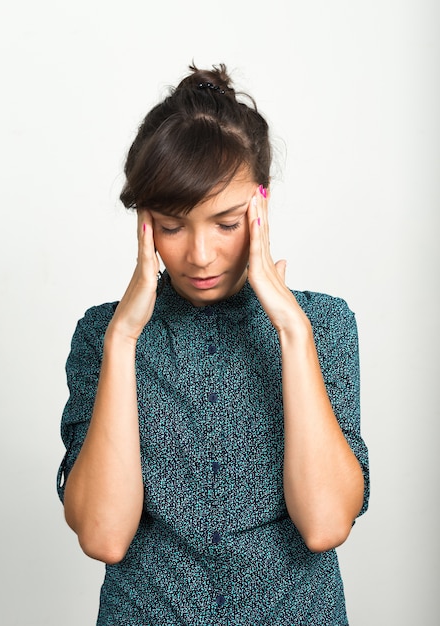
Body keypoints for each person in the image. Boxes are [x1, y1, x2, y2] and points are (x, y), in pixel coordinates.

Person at [57, 63, 369, 625]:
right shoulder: (102, 336)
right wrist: (123, 340)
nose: (200, 254)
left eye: (226, 224)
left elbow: (325, 524)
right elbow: (104, 535)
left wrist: (293, 334)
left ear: (260, 208)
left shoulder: (321, 324)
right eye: (173, 227)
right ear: (144, 224)